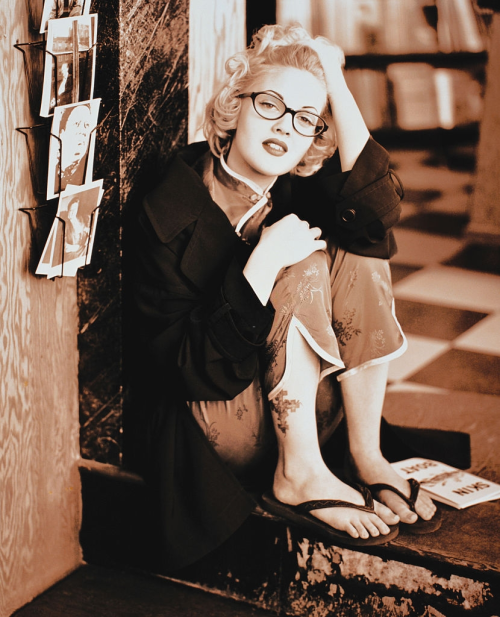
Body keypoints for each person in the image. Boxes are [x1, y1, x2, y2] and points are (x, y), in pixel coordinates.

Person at [127, 24, 441, 571]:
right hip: (213, 424)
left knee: (363, 248)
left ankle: (366, 456)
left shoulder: (294, 188)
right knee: (302, 257)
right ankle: (299, 474)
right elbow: (181, 370)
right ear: (233, 108)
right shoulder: (167, 208)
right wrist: (263, 263)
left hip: (306, 414)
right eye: (269, 103)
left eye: (305, 119)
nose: (284, 127)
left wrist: (336, 83)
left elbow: (379, 214)